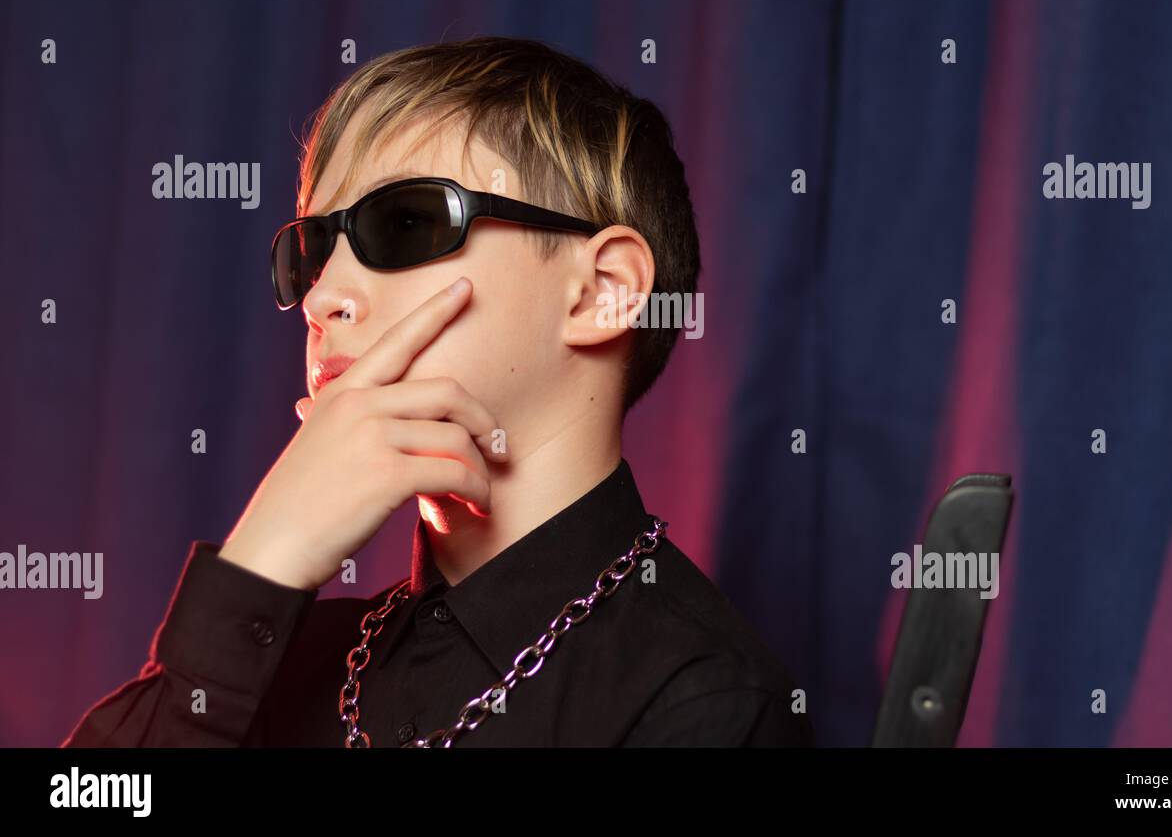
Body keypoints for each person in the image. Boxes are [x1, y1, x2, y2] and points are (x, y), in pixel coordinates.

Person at [62, 36, 814, 747]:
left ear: (601, 293)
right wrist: (263, 562)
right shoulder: (293, 660)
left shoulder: (707, 697)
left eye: (408, 222)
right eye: (311, 251)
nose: (324, 297)